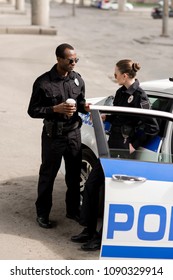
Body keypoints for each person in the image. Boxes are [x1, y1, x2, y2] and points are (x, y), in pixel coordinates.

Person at [71, 59, 159, 251]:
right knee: (92, 186)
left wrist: (134, 144)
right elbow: (121, 115)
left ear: (125, 75)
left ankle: (102, 238)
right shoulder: (121, 93)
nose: (115, 76)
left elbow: (153, 126)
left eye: (116, 74)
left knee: (113, 195)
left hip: (123, 151)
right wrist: (107, 116)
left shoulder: (139, 96)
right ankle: (89, 230)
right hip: (111, 147)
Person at [27, 43, 90, 229]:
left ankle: (72, 210)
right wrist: (54, 109)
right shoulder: (43, 82)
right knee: (48, 176)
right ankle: (42, 214)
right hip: (53, 135)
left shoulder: (77, 80)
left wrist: (84, 107)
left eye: (76, 60)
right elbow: (32, 110)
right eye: (70, 60)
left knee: (73, 176)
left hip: (73, 134)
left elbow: (81, 101)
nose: (74, 63)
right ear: (59, 59)